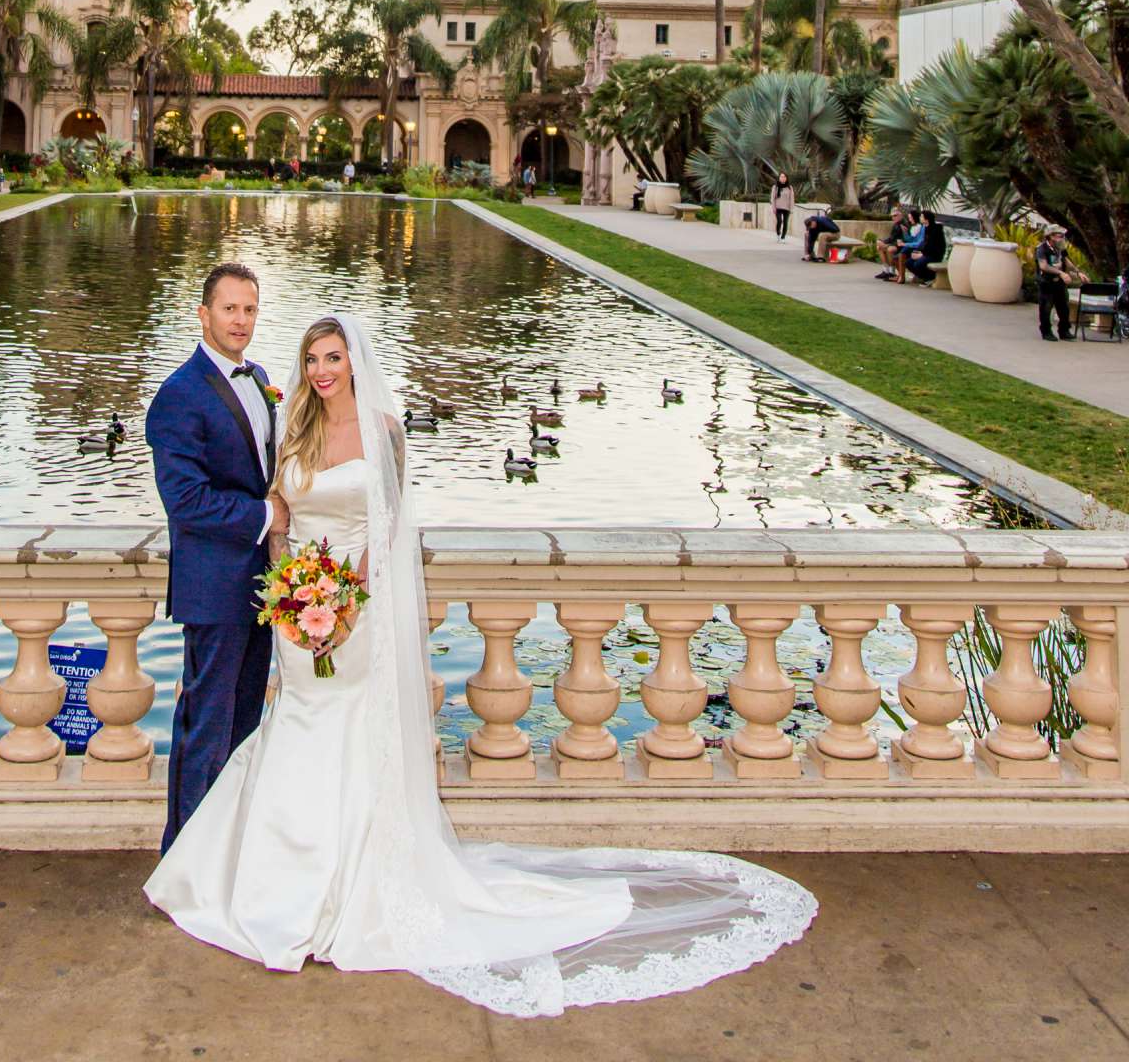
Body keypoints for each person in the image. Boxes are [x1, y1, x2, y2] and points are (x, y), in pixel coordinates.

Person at [146, 306, 815, 1012]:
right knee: (296, 728)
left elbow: (389, 531)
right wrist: (293, 600)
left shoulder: (384, 432)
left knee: (346, 733)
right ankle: (281, 880)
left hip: (356, 608)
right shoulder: (295, 426)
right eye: (313, 360)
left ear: (354, 363)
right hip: (297, 612)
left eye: (333, 359)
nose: (321, 371)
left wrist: (345, 606)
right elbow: (279, 515)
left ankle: (355, 882)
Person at [146, 263, 285, 851]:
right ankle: (183, 857)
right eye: (230, 309)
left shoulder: (259, 379)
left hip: (261, 586)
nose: (241, 321)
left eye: (250, 310)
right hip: (213, 587)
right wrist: (264, 517)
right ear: (203, 314)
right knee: (204, 726)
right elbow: (185, 501)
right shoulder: (179, 395)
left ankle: (226, 848)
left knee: (245, 721)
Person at [1035, 228, 1079, 341]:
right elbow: (1043, 266)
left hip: (1059, 283)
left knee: (1064, 307)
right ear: (1051, 236)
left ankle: (1064, 331)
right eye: (1060, 235)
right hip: (1046, 282)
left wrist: (1078, 272)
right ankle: (1046, 332)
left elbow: (1066, 261)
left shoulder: (1060, 248)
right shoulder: (1042, 249)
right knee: (1046, 308)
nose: (1062, 238)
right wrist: (1061, 273)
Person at [770, 174, 794, 241]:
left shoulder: (790, 187)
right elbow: (772, 198)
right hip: (778, 207)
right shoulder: (775, 187)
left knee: (785, 222)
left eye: (784, 177)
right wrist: (773, 207)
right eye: (781, 177)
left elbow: (791, 198)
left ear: (786, 178)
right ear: (779, 178)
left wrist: (791, 208)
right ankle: (778, 233)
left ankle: (783, 237)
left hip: (787, 208)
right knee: (779, 221)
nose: (783, 178)